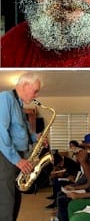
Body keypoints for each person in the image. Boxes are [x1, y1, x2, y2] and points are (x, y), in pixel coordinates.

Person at [0, 72, 42, 221]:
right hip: (7, 158)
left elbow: (20, 131)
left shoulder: (19, 103)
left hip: (18, 156)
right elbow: (1, 131)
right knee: (6, 201)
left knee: (15, 199)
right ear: (25, 85)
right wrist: (17, 160)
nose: (36, 95)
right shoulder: (6, 97)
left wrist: (36, 137)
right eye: (35, 90)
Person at [56, 133, 90, 221]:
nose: (87, 151)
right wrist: (75, 188)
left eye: (88, 147)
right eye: (86, 148)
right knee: (62, 194)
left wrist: (79, 195)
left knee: (64, 199)